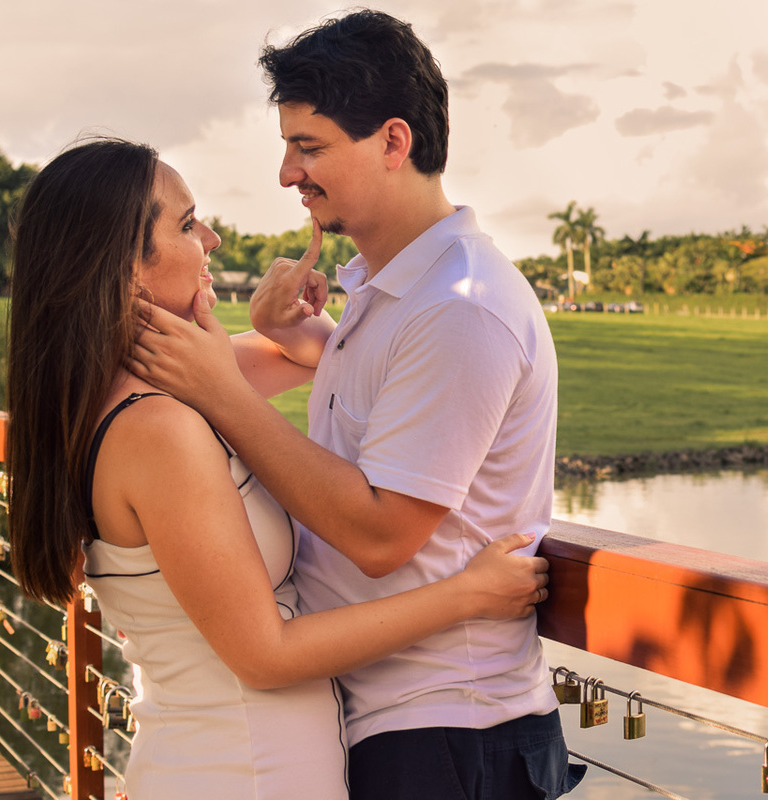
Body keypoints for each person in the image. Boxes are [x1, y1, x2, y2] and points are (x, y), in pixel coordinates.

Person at [129, 9, 585, 799]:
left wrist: (222, 393)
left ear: (394, 142)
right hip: (388, 719)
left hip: (449, 728)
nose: (285, 174)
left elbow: (381, 533)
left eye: (309, 147)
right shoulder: (393, 292)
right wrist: (304, 339)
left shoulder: (461, 305)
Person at [6, 137, 550, 800]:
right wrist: (470, 594)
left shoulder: (132, 389)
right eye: (184, 225)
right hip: (243, 770)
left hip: (226, 757)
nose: (210, 237)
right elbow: (267, 656)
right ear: (124, 271)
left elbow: (327, 362)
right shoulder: (157, 428)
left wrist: (277, 322)